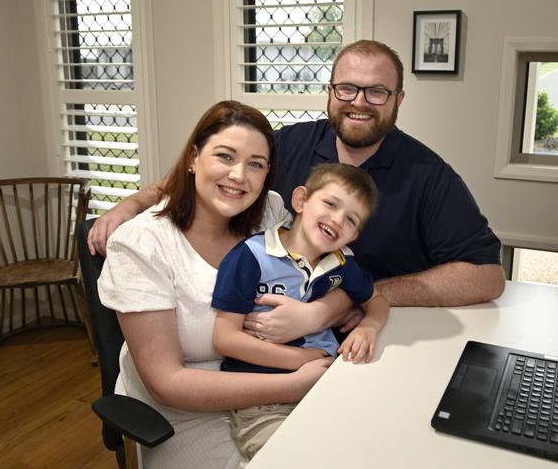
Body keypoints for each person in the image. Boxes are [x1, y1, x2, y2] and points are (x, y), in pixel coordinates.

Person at [89, 39, 505, 341]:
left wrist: (361, 296)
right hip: (273, 337)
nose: (359, 101)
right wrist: (133, 204)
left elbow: (487, 277)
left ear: (398, 98)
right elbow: (206, 180)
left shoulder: (429, 174)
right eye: (347, 88)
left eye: (377, 91)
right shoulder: (288, 145)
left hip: (378, 334)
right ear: (330, 92)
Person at [97, 100, 333, 469]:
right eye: (225, 156)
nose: (239, 175)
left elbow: (332, 278)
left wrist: (318, 312)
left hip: (274, 384)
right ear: (194, 157)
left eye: (256, 164)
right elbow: (167, 383)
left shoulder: (268, 214)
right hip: (184, 411)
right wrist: (293, 385)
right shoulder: (141, 244)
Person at [211, 163, 390, 459]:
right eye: (330, 204)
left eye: (350, 219)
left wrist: (368, 326)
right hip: (263, 399)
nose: (336, 220)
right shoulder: (250, 257)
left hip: (328, 386)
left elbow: (378, 302)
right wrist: (301, 358)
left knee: (362, 450)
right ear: (301, 201)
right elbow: (225, 339)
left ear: (355, 235)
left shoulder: (342, 264)